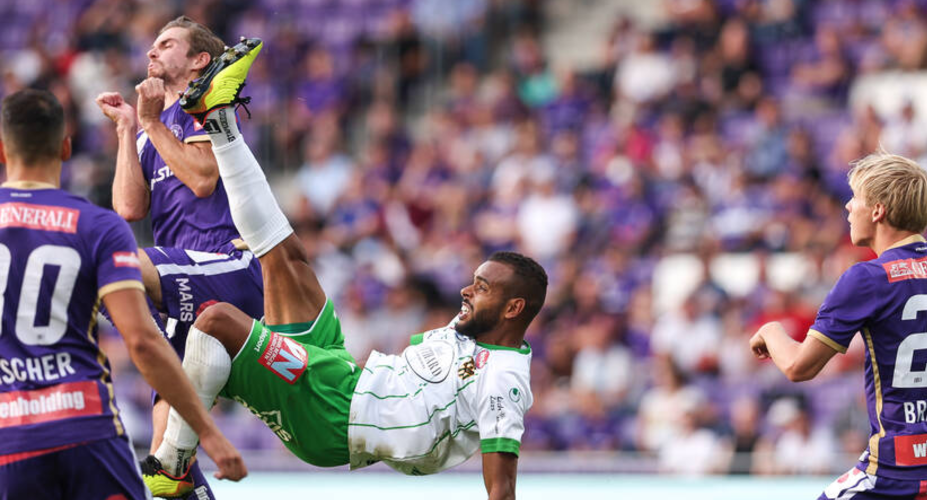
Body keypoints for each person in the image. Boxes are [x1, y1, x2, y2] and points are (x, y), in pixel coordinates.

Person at [138, 38, 545, 500]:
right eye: (473, 282)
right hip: (341, 372)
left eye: (482, 288)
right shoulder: (473, 331)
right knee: (284, 255)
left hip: (333, 416)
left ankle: (171, 464)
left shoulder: (504, 380)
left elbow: (502, 490)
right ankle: (218, 118)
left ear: (513, 307)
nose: (467, 293)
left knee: (215, 320)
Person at [0, 89, 246, 499]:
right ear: (65, 147)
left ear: (3, 151)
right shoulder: (97, 226)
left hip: (11, 437)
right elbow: (143, 342)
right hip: (87, 429)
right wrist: (209, 434)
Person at [750, 150, 927, 500]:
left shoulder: (867, 278)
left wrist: (771, 330)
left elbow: (797, 367)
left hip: (897, 473)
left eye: (856, 199)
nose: (849, 207)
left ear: (878, 210)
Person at [95, 16, 264, 499]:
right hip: (180, 286)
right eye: (150, 45)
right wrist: (130, 129)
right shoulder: (152, 128)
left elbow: (204, 179)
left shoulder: (206, 107)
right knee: (167, 462)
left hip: (227, 266)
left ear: (199, 60)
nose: (151, 52)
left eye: (166, 44)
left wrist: (149, 120)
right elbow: (129, 208)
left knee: (115, 265)